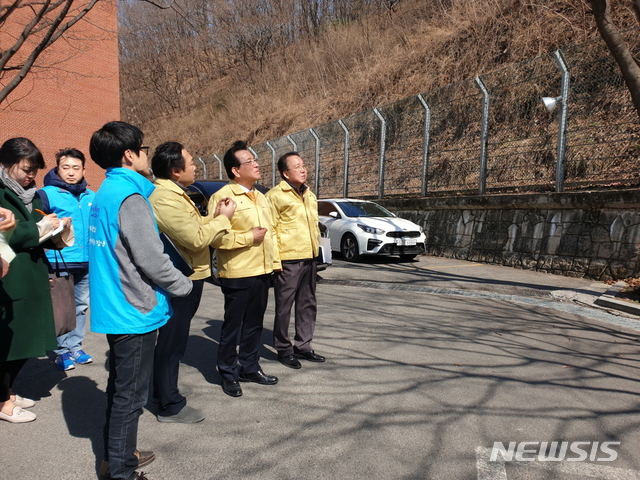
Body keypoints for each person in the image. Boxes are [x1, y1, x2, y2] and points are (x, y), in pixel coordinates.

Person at [88, 122, 192, 480]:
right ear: (129, 154)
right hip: (132, 308)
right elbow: (152, 258)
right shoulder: (130, 197)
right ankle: (122, 472)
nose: (147, 154)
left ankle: (117, 456)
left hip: (116, 305)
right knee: (130, 397)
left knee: (122, 391)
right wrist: (184, 285)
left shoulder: (106, 192)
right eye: (143, 148)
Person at [149, 141, 236, 423]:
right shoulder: (165, 197)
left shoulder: (177, 194)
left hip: (192, 274)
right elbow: (196, 238)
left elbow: (194, 229)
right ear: (175, 170)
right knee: (172, 341)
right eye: (190, 161)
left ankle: (165, 388)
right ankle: (169, 403)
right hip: (182, 278)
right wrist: (222, 220)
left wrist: (213, 216)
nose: (195, 165)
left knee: (175, 339)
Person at [0, 137, 72, 424]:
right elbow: (8, 234)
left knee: (26, 343)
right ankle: (3, 401)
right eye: (25, 169)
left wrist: (57, 231)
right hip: (9, 276)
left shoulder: (35, 194)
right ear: (6, 164)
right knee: (8, 343)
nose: (31, 176)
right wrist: (39, 227)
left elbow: (38, 231)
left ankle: (7, 391)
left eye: (34, 170)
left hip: (34, 273)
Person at [208, 140, 281, 398]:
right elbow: (216, 238)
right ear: (236, 170)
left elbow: (270, 235)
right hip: (238, 273)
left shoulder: (261, 196)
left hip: (261, 271)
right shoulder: (223, 198)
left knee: (254, 325)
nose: (257, 164)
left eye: (256, 159)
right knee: (233, 325)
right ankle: (227, 371)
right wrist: (248, 237)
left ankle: (250, 366)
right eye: (249, 161)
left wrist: (274, 265)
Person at [38, 148, 96, 371]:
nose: (71, 172)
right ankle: (61, 352)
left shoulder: (92, 196)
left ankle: (76, 346)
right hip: (58, 260)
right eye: (65, 167)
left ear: (83, 169)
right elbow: (39, 229)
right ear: (57, 168)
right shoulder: (46, 194)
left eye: (76, 168)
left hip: (87, 261)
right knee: (61, 309)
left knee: (81, 306)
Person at [266, 152, 325, 369]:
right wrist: (275, 260)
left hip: (309, 257)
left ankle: (304, 345)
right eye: (297, 166)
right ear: (285, 173)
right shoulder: (275, 196)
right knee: (284, 306)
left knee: (308, 303)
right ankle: (283, 348)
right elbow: (270, 229)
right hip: (288, 259)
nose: (303, 169)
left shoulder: (309, 194)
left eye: (303, 165)